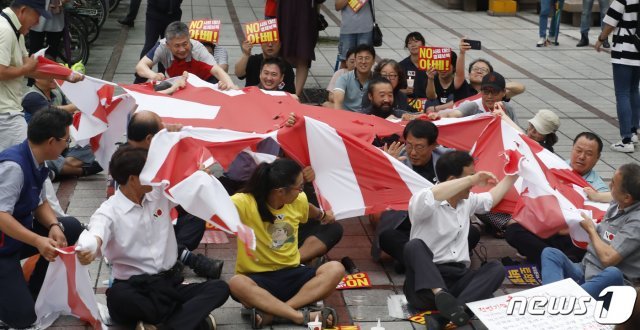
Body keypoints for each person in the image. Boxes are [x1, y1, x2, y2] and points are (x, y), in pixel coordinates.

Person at [78, 147, 229, 329]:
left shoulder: (157, 193)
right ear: (133, 179)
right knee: (119, 298)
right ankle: (189, 320)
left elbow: (186, 186)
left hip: (168, 284)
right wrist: (89, 248)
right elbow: (96, 233)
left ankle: (163, 325)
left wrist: (200, 176)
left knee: (219, 288)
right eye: (149, 172)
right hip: (134, 288)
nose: (156, 176)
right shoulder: (109, 211)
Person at [404, 150, 517, 325]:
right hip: (425, 286)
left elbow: (490, 199)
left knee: (496, 268)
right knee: (413, 246)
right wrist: (473, 179)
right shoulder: (422, 200)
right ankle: (443, 296)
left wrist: (514, 173)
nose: (473, 183)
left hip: (458, 280)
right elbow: (434, 194)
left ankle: (445, 315)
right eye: (469, 178)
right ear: (452, 181)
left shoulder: (467, 201)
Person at [227, 159, 343, 328]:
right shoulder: (244, 202)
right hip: (258, 279)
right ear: (280, 191)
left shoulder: (299, 200)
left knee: (335, 269)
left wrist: (323, 215)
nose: (301, 191)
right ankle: (299, 316)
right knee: (236, 283)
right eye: (299, 187)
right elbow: (216, 204)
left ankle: (273, 313)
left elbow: (310, 209)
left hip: (292, 273)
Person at [109, 110, 225, 279]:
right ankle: (186, 258)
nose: (165, 131)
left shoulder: (155, 151)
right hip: (138, 224)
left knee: (196, 217)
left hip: (164, 213)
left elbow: (176, 188)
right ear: (149, 139)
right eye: (161, 130)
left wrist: (196, 174)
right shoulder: (128, 160)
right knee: (151, 230)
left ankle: (176, 257)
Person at [0, 108, 83, 329]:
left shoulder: (38, 158)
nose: (67, 144)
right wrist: (38, 240)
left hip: (15, 238)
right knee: (23, 319)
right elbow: (0, 216)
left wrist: (54, 225)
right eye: (66, 139)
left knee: (70, 228)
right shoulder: (14, 167)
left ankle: (35, 290)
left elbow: (39, 201)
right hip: (2, 247)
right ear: (51, 141)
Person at [371, 120, 481, 274]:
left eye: (419, 147)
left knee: (473, 233)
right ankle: (433, 264)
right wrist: (388, 167)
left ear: (433, 146)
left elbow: (470, 172)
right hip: (410, 225)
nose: (413, 152)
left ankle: (414, 263)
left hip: (443, 225)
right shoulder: (397, 159)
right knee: (387, 237)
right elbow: (377, 193)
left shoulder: (448, 160)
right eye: (409, 145)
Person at [504, 132, 609, 266]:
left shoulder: (599, 189)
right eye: (578, 150)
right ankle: (557, 261)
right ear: (572, 148)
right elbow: (527, 144)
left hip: (568, 236)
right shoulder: (554, 166)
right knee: (513, 231)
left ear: (597, 158)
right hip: (544, 226)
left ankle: (549, 260)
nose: (581, 157)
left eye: (588, 154)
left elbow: (596, 224)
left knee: (581, 247)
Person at [541, 163, 640, 299]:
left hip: (610, 284)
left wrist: (591, 230)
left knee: (613, 273)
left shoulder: (636, 222)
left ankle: (565, 304)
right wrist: (596, 196)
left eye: (613, 183)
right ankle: (555, 300)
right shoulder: (620, 202)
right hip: (585, 269)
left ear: (627, 197)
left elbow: (608, 259)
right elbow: (611, 196)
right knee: (550, 254)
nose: (610, 185)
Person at [0, 0, 83, 152]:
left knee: (23, 161)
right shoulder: (5, 30)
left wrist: (67, 75)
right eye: (37, 14)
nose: (38, 21)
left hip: (10, 110)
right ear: (23, 11)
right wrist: (25, 69)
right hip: (5, 114)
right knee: (30, 158)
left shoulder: (16, 31)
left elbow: (33, 68)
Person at [22, 76, 102, 179]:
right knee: (44, 160)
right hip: (44, 146)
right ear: (37, 77)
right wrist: (79, 105)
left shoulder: (57, 93)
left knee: (95, 136)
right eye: (50, 76)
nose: (54, 78)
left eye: (56, 75)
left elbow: (70, 115)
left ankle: (63, 167)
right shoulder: (31, 97)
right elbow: (50, 112)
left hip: (61, 144)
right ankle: (81, 170)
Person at [595, 0, 639, 153]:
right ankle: (634, 131)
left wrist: (600, 39)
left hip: (623, 51)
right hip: (638, 52)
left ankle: (626, 139)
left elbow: (610, 23)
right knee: (634, 90)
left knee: (622, 94)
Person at [136, 22, 236, 89]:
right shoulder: (161, 46)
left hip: (205, 82)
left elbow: (217, 71)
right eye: (177, 46)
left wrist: (231, 86)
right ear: (168, 45)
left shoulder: (198, 48)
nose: (182, 49)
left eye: (185, 44)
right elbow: (140, 66)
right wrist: (154, 75)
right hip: (179, 82)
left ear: (189, 39)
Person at [454, 38, 525, 102]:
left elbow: (520, 88)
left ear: (489, 75)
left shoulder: (494, 92)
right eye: (475, 69)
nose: (479, 71)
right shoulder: (462, 88)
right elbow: (459, 73)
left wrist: (496, 85)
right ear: (469, 75)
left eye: (483, 70)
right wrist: (462, 53)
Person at [277, 0, 320, 96]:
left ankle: (296, 95)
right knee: (284, 53)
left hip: (306, 16)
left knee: (303, 54)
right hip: (286, 13)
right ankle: (284, 92)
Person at [438, 72, 518, 121]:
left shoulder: (508, 108)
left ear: (504, 92)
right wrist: (438, 116)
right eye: (486, 92)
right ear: (480, 91)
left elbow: (518, 133)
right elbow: (453, 114)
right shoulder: (472, 106)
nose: (489, 96)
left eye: (494, 92)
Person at [333, 43, 375, 111]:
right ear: (355, 61)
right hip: (348, 117)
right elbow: (338, 101)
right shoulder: (344, 78)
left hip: (370, 118)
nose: (363, 62)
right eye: (360, 58)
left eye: (367, 58)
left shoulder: (378, 79)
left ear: (373, 61)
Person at [399, 32, 428, 99]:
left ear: (423, 44)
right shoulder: (401, 66)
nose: (413, 45)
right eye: (409, 43)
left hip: (428, 102)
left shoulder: (431, 64)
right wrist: (405, 91)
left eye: (416, 41)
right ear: (407, 47)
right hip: (408, 102)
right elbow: (393, 89)